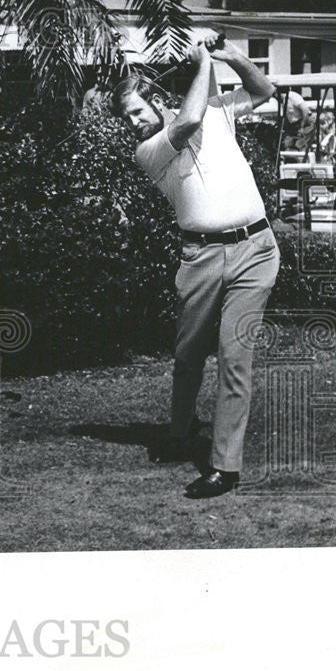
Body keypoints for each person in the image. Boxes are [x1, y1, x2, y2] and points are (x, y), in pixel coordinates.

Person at [110, 33, 279, 499]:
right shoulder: (150, 149)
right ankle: (180, 431)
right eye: (126, 117)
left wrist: (230, 55)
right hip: (200, 257)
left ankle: (225, 467)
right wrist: (203, 60)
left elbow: (265, 91)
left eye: (137, 111)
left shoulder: (220, 111)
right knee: (187, 358)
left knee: (234, 356)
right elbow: (187, 120)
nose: (132, 122)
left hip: (255, 251)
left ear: (156, 100)